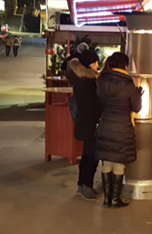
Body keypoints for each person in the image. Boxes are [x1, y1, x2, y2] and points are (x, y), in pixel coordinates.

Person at [96, 52, 142, 208]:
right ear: (125, 65)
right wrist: (138, 95)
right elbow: (136, 108)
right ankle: (116, 199)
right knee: (119, 164)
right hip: (122, 127)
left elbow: (100, 102)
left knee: (107, 162)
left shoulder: (101, 80)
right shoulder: (128, 85)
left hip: (105, 124)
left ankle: (106, 198)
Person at [66, 50, 101, 200]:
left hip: (87, 121)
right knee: (90, 155)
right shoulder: (86, 81)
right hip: (90, 122)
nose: (97, 65)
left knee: (90, 154)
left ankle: (85, 184)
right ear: (88, 64)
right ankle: (85, 185)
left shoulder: (83, 78)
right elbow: (93, 103)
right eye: (95, 62)